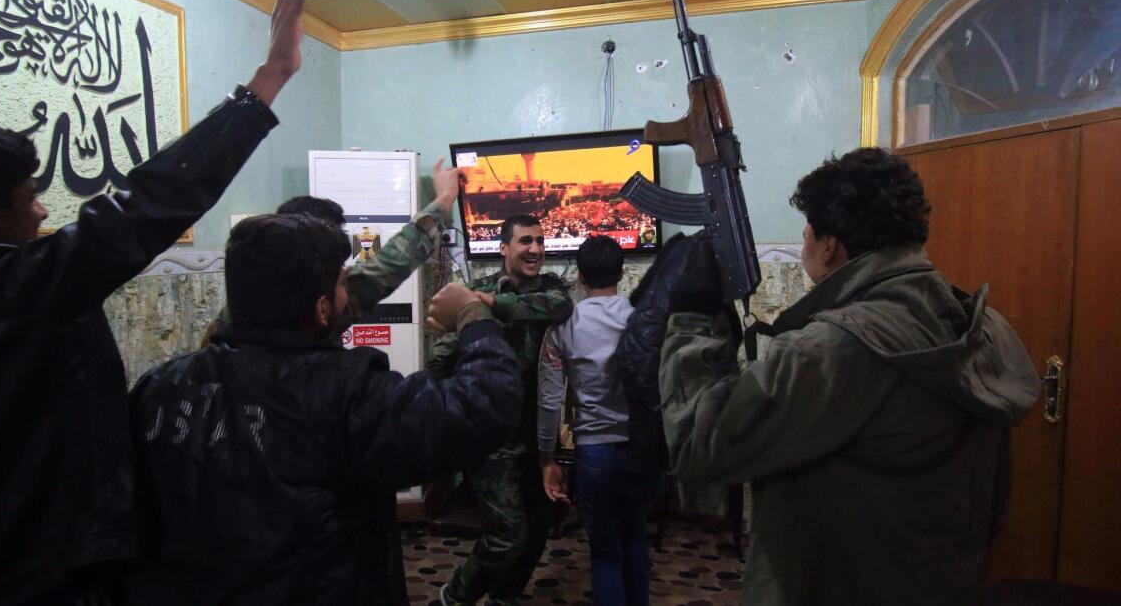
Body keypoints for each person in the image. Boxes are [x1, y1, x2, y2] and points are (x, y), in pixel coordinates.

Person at [0, 0, 311, 605]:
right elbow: (137, 214)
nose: (45, 210)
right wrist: (266, 82)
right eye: (29, 197)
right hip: (29, 570)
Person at [658, 147, 1041, 606]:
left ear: (830, 246)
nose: (804, 249)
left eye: (806, 237)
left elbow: (697, 445)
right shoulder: (975, 323)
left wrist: (691, 321)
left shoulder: (835, 349)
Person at [127, 214, 522, 604]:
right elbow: (487, 403)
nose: (348, 295)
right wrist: (472, 314)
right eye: (341, 284)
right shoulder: (346, 393)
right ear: (321, 309)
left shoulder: (157, 388)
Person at [430, 213, 572, 606]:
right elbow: (439, 361)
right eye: (525, 241)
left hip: (537, 436)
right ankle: (454, 597)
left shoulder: (551, 292)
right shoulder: (472, 294)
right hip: (491, 439)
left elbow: (558, 307)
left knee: (541, 524)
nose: (535, 250)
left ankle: (505, 597)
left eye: (540, 242)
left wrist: (494, 305)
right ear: (503, 248)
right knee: (507, 534)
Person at [201, 158, 460, 345]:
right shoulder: (340, 386)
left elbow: (388, 264)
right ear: (321, 309)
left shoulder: (216, 345)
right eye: (338, 275)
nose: (344, 290)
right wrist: (444, 199)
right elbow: (389, 264)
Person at [536, 235, 661, 606]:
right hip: (643, 450)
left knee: (605, 553)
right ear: (622, 274)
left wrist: (547, 458)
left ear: (579, 276)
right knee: (635, 539)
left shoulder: (563, 326)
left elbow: (549, 400)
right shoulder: (643, 319)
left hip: (595, 454)